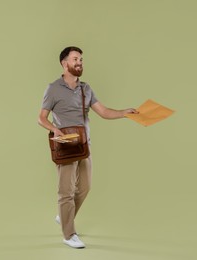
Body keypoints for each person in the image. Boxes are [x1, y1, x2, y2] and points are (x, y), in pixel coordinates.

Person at [38, 46, 137, 248]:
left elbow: (104, 112)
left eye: (81, 59)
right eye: (75, 59)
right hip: (66, 146)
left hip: (84, 145)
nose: (80, 63)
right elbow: (41, 118)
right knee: (65, 192)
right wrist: (54, 129)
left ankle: (64, 215)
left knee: (85, 187)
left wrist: (124, 112)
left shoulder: (86, 89)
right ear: (64, 64)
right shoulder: (53, 88)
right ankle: (68, 234)